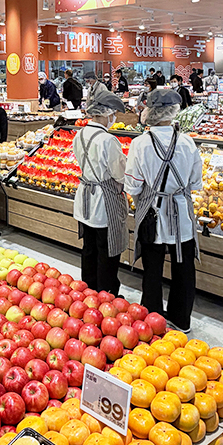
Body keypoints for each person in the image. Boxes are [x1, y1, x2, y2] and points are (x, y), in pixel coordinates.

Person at [125, 89, 203, 333]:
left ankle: (152, 320)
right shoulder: (188, 142)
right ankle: (182, 319)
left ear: (149, 111)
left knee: (152, 269)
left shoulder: (140, 144)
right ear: (174, 111)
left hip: (152, 213)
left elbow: (133, 185)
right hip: (182, 214)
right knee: (184, 268)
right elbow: (195, 183)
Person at [73, 90, 128, 294]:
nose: (114, 119)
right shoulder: (107, 140)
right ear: (106, 114)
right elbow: (119, 173)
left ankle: (89, 290)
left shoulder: (80, 134)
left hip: (85, 197)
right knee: (107, 249)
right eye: (114, 114)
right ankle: (107, 293)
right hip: (104, 200)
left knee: (89, 247)